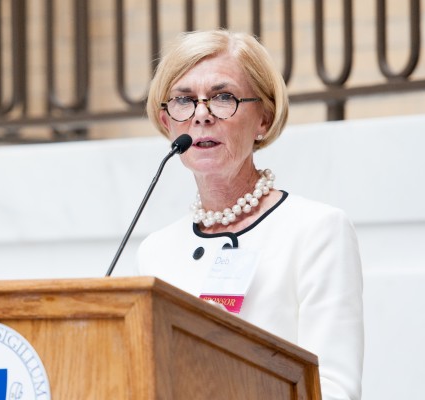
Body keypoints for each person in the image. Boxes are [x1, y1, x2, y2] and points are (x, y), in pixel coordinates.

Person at [137, 29, 364, 400]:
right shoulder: (156, 250)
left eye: (223, 97)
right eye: (184, 100)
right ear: (167, 122)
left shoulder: (317, 231)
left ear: (264, 119)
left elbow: (334, 389)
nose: (201, 115)